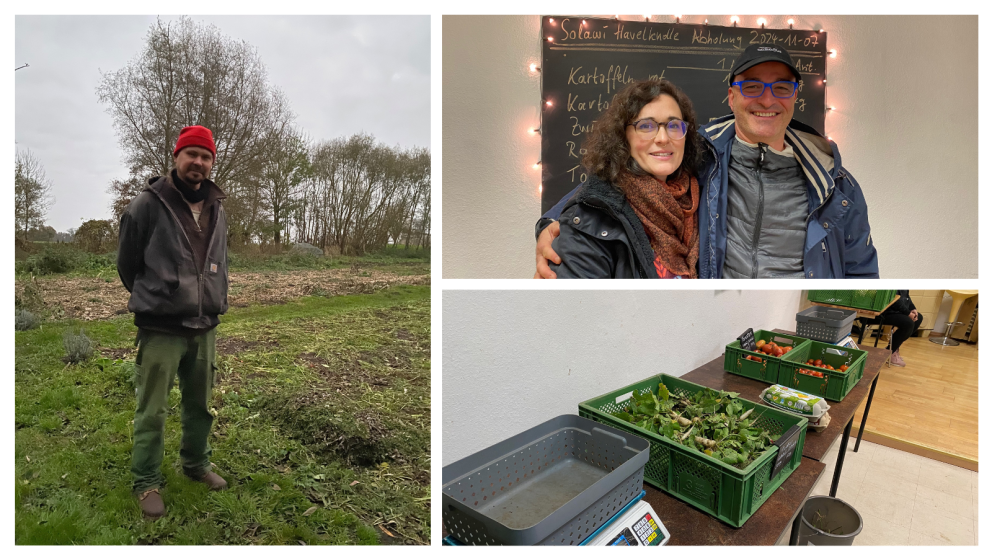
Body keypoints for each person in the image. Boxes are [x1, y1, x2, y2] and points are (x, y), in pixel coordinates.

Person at [535, 43, 879, 278]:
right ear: (732, 96)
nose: (767, 99)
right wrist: (549, 225)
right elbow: (607, 187)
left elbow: (861, 270)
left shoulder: (837, 186)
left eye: (781, 87)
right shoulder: (702, 154)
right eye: (753, 87)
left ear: (795, 97)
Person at [117, 125, 229, 519]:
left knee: (200, 405)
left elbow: (220, 264)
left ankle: (196, 465)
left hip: (205, 326)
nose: (198, 162)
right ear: (176, 157)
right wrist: (158, 299)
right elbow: (127, 265)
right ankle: (146, 480)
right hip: (162, 328)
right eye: (191, 154)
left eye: (206, 156)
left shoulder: (217, 206)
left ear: (212, 162)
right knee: (153, 409)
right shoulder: (147, 204)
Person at [547, 79, 702, 278]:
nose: (663, 138)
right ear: (623, 137)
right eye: (646, 126)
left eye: (674, 125)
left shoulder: (700, 201)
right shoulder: (591, 218)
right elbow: (578, 307)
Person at [855, 290, 922, 367]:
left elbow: (906, 296)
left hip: (895, 312)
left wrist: (913, 309)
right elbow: (893, 300)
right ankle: (890, 352)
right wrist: (908, 313)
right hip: (882, 312)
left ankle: (892, 349)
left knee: (918, 318)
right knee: (908, 323)